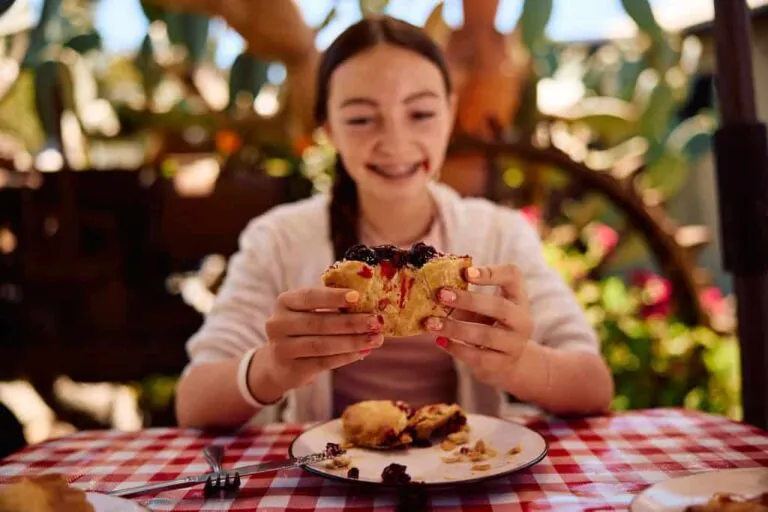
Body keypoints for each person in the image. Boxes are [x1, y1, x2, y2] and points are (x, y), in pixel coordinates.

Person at [174, 15, 614, 429]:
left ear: (449, 113)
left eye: (420, 113)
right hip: (330, 468)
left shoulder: (499, 234)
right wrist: (271, 368)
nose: (395, 142)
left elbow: (594, 386)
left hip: (463, 463)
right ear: (328, 128)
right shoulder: (278, 239)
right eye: (361, 119)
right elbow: (194, 401)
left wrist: (520, 364)